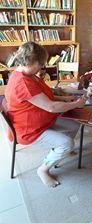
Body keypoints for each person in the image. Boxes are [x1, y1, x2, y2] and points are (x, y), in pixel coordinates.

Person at [5, 42, 84, 188]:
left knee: (75, 123)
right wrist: (75, 104)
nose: (42, 67)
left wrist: (65, 99)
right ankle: (43, 169)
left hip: (41, 120)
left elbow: (45, 96)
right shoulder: (22, 82)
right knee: (68, 144)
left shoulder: (28, 74)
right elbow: (51, 106)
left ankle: (58, 150)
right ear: (31, 62)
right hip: (29, 130)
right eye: (41, 63)